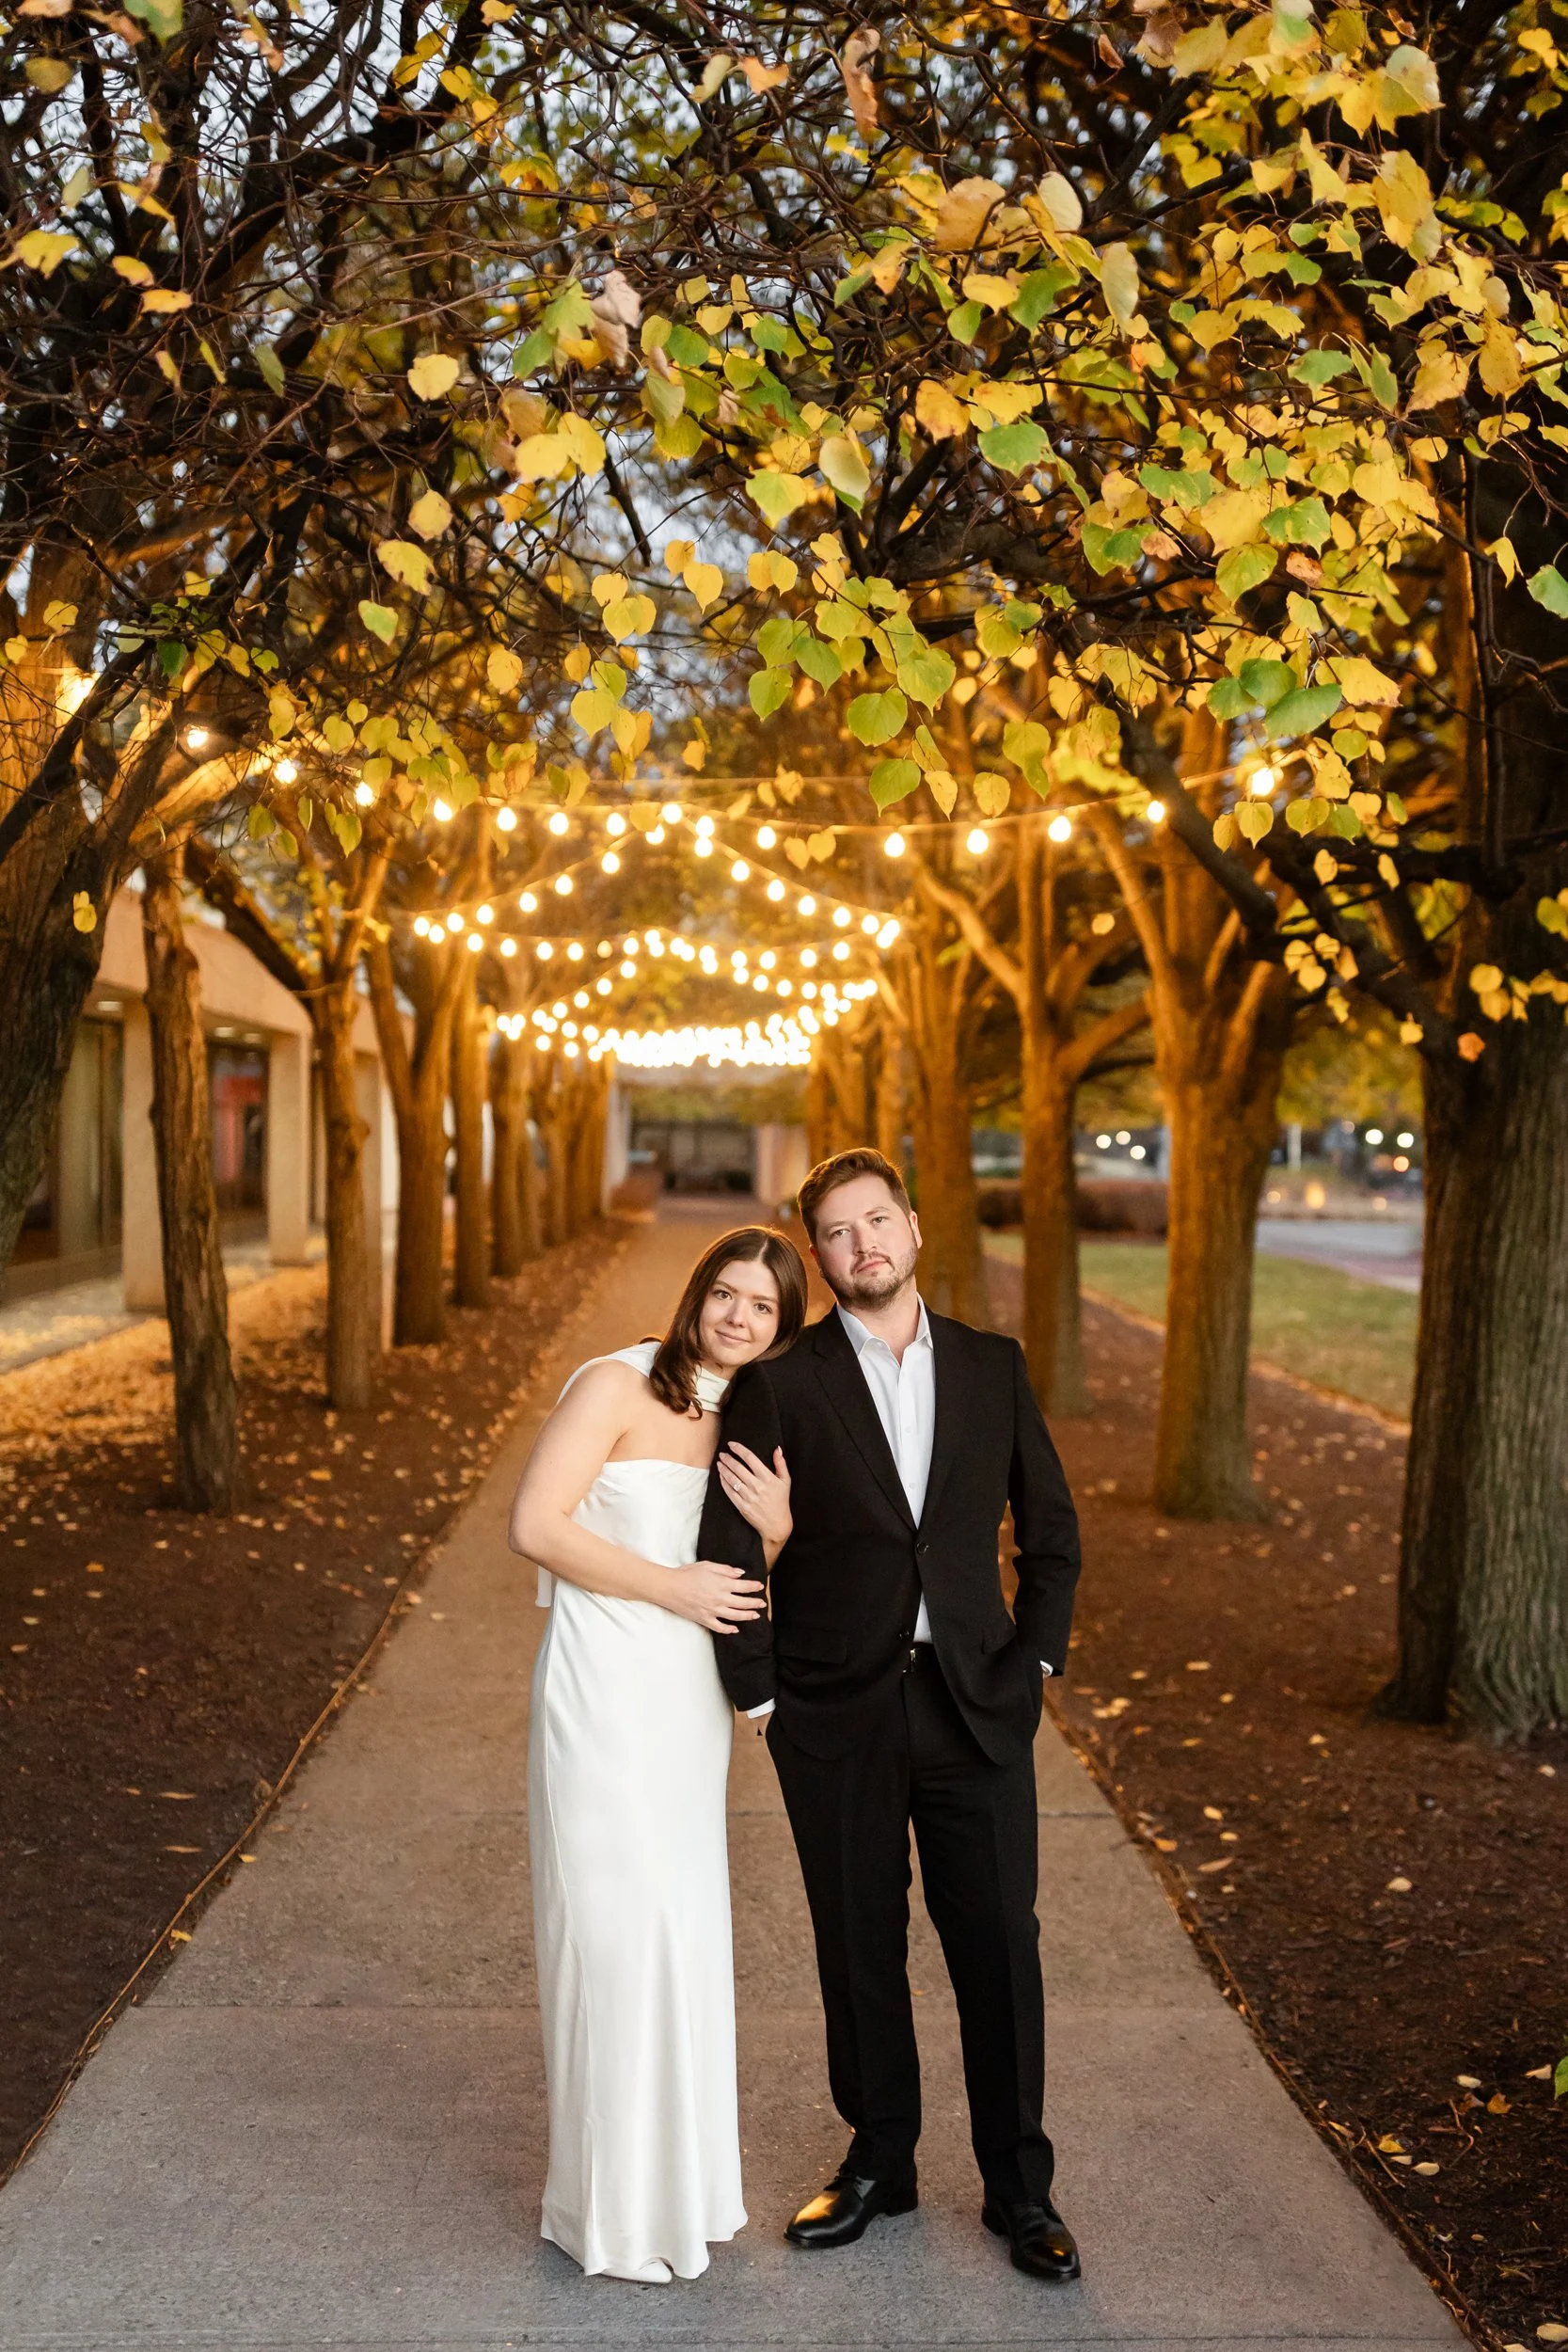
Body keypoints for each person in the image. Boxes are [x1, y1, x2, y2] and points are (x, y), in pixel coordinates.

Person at [698, 1148, 1084, 2283]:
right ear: (816, 1254)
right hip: (834, 1713)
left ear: (912, 1228)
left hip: (975, 1707)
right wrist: (760, 1693)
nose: (860, 1243)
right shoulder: (782, 1382)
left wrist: (1033, 1662)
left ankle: (1018, 2185)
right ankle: (880, 2161)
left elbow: (1050, 1533)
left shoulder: (991, 1367)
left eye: (875, 1220)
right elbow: (730, 1548)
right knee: (856, 1942)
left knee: (998, 1946)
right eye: (835, 1229)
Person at [509, 1226, 806, 2284]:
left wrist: (777, 1533)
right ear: (696, 1293)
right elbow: (535, 1525)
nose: (738, 1317)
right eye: (726, 1293)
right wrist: (669, 1587)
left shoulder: (750, 1417)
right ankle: (606, 2212)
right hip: (601, 1686)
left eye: (762, 1306)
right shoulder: (616, 1384)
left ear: (782, 1326)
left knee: (677, 1937)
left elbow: (736, 1573)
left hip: (686, 1705)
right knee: (609, 1939)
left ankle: (682, 2198)